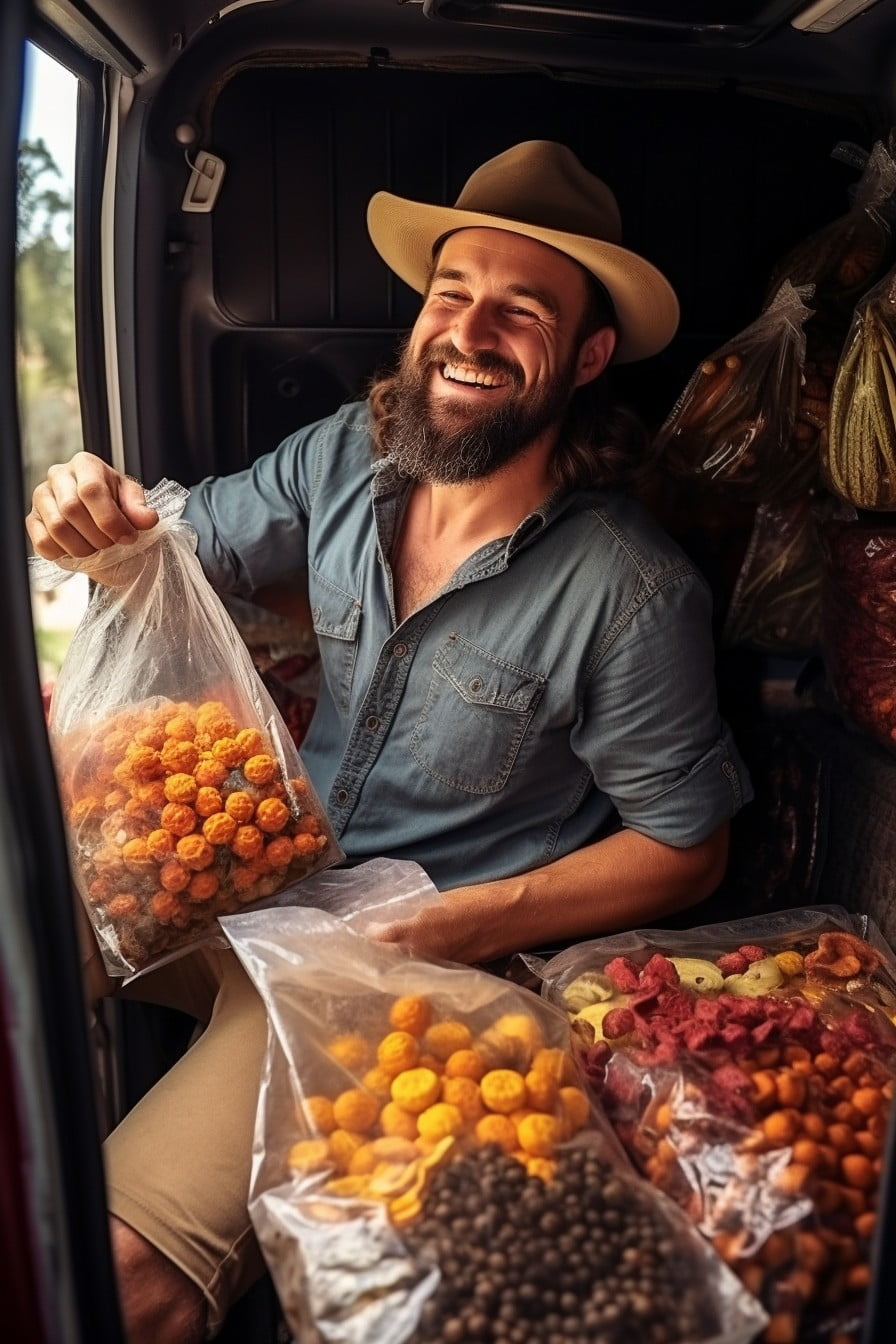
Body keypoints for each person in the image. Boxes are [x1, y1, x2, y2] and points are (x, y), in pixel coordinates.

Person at [26, 140, 751, 1343]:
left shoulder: (629, 591)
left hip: (394, 971)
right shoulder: (344, 458)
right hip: (260, 884)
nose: (470, 330)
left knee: (113, 1276)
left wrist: (461, 923)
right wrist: (92, 516)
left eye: (521, 311)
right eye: (451, 295)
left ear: (583, 357)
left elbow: (687, 852)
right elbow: (170, 550)